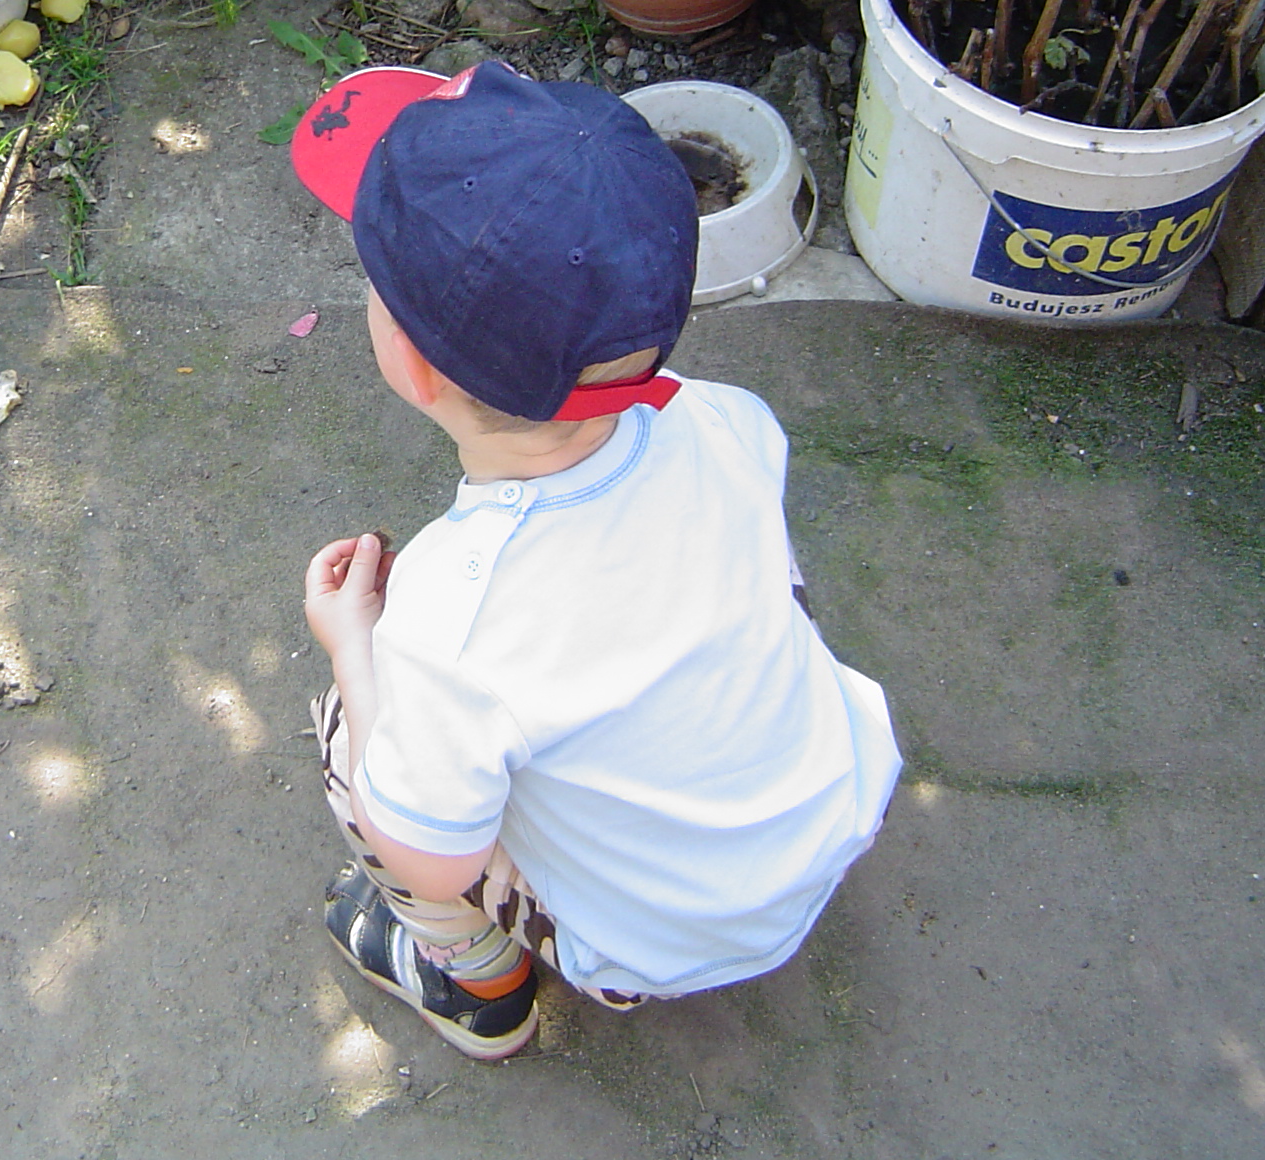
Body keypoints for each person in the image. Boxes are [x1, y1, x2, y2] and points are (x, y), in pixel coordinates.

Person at [290, 60, 902, 1060]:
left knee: (350, 744)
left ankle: (476, 986)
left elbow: (428, 855)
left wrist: (356, 647)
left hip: (652, 943)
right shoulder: (724, 419)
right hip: (825, 814)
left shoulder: (448, 625)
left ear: (410, 365)